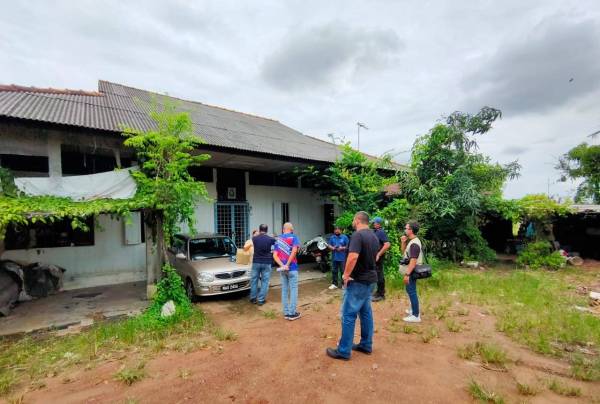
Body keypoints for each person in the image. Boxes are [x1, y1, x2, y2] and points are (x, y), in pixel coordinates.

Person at [326, 211, 379, 361]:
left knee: (348, 315)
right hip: (370, 280)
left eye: (353, 220)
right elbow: (374, 257)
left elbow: (353, 256)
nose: (352, 223)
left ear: (357, 220)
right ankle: (366, 345)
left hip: (358, 281)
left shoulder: (357, 235)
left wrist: (346, 275)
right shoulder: (374, 236)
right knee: (366, 313)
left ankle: (343, 351)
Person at [273, 222, 302, 320]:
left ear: (283, 229)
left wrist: (282, 265)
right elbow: (294, 251)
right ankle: (292, 313)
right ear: (292, 229)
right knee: (293, 290)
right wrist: (287, 265)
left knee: (284, 290)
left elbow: (275, 256)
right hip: (292, 268)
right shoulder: (294, 237)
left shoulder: (278, 239)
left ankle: (286, 312)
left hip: (283, 269)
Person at [401, 221, 423, 323]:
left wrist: (407, 274)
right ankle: (413, 310)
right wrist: (403, 242)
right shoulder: (412, 241)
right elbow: (404, 253)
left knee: (412, 292)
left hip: (412, 271)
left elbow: (413, 261)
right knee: (410, 291)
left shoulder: (414, 243)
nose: (405, 230)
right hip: (411, 270)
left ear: (411, 230)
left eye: (406, 228)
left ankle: (415, 315)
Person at [249, 225, 275, 306]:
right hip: (267, 262)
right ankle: (261, 300)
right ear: (266, 230)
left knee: (254, 280)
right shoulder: (270, 239)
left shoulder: (254, 238)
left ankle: (253, 298)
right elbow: (276, 243)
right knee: (265, 281)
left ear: (259, 230)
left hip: (256, 261)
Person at [371, 217, 391, 302]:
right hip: (375, 257)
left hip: (378, 257)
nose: (373, 224)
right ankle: (378, 291)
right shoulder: (376, 231)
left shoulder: (381, 232)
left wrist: (379, 254)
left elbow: (387, 244)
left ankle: (381, 295)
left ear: (378, 224)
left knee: (379, 274)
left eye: (374, 223)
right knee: (377, 274)